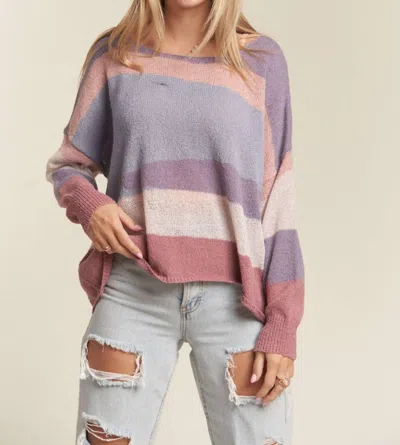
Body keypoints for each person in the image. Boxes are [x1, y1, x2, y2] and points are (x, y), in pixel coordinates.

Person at [44, 0, 305, 443]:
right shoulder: (115, 54)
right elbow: (69, 164)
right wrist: (91, 206)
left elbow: (278, 197)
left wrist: (283, 322)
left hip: (238, 299)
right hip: (133, 290)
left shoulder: (260, 61)